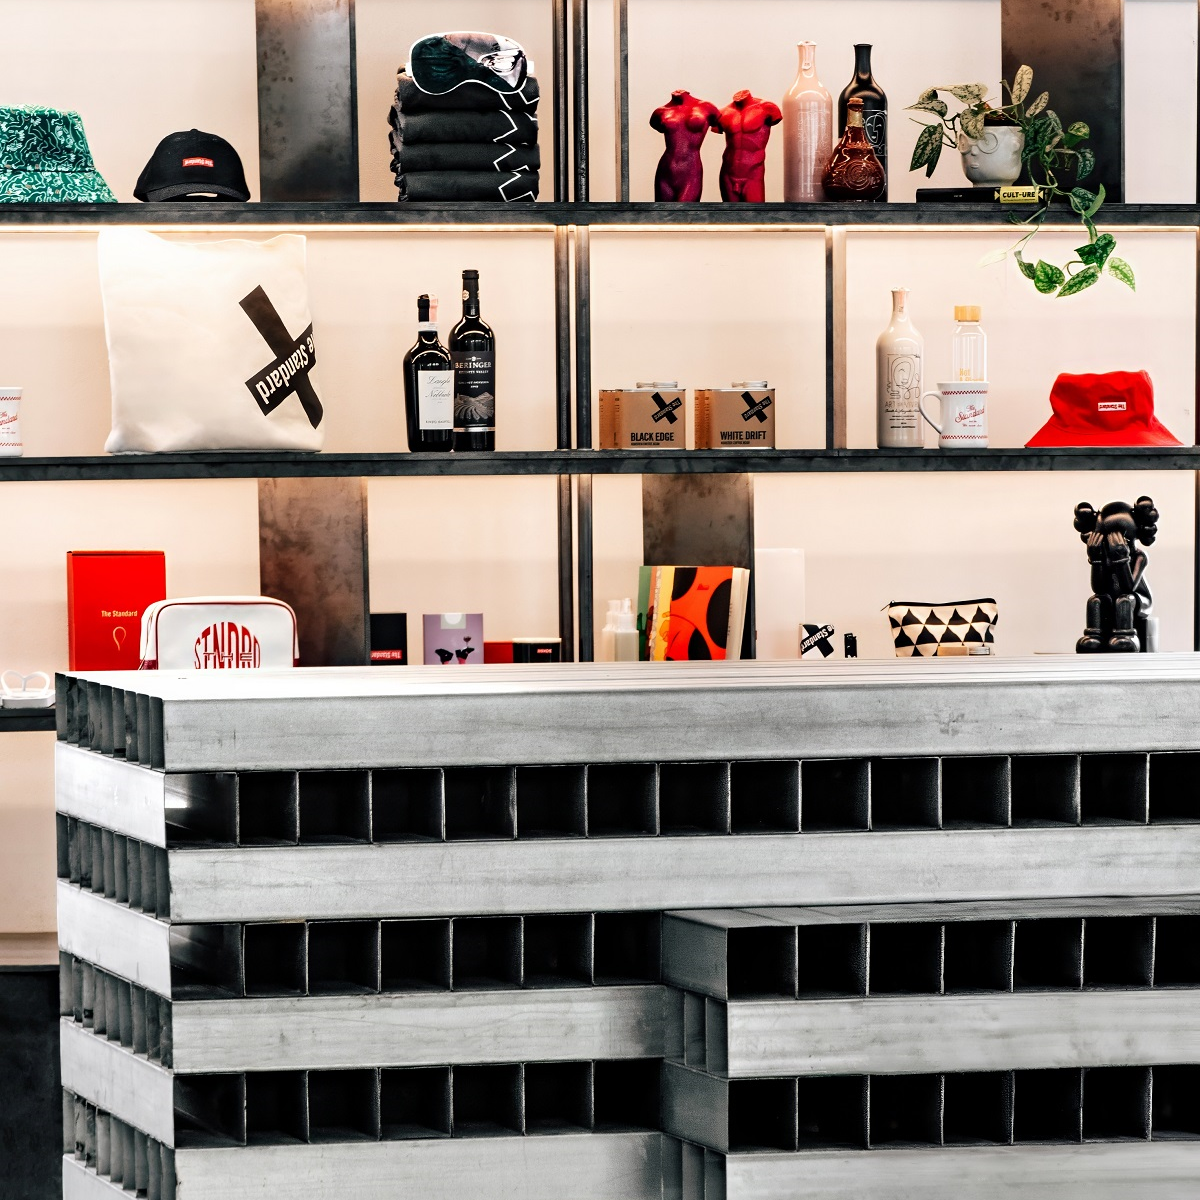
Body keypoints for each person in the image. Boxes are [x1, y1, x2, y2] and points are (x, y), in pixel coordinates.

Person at [650, 90, 719, 202]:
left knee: (686, 215)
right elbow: (654, 124)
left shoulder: (707, 107)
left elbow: (718, 123)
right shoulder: (660, 112)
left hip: (691, 170)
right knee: (663, 216)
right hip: (665, 170)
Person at [716, 90, 782, 203]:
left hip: (753, 174)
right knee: (730, 218)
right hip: (728, 174)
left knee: (756, 217)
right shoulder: (722, 113)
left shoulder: (767, 108)